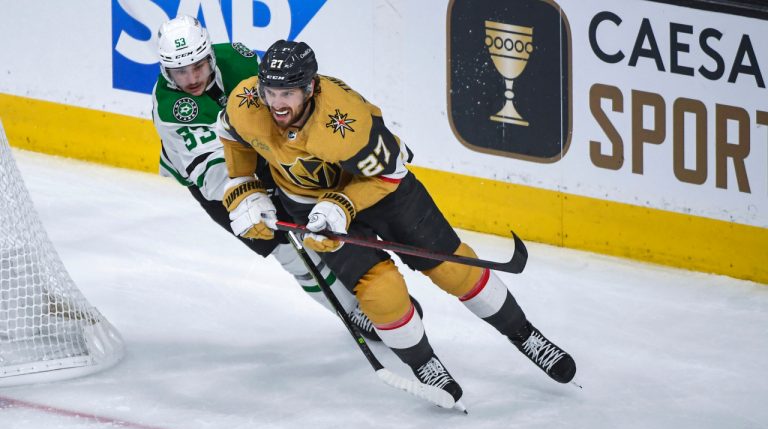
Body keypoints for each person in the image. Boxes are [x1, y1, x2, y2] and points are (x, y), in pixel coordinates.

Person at [216, 39, 576, 408]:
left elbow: (389, 173)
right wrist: (244, 187)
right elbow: (233, 135)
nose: (276, 103)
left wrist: (343, 203)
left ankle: (525, 334)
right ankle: (425, 364)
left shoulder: (343, 121)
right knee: (381, 293)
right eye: (271, 91)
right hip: (308, 202)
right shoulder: (247, 103)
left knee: (451, 268)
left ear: (309, 88)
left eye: (288, 92)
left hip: (379, 188)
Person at [149, 16, 384, 338]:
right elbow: (211, 173)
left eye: (198, 67)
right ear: (165, 70)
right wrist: (250, 194)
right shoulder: (170, 108)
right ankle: (351, 312)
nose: (191, 79)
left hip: (266, 156)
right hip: (219, 184)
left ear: (210, 57)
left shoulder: (239, 58)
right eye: (180, 72)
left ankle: (377, 294)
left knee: (319, 226)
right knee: (290, 253)